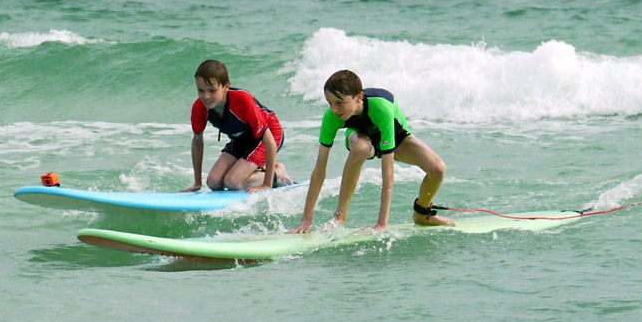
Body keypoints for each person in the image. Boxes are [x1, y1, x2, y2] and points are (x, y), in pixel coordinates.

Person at [289, 69, 455, 233]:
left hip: (395, 136)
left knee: (437, 169)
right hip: (361, 137)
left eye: (339, 102)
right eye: (330, 103)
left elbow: (388, 172)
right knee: (361, 148)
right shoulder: (331, 117)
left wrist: (381, 224)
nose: (334, 109)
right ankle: (340, 217)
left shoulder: (381, 108)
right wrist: (306, 221)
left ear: (359, 97)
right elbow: (319, 170)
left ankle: (422, 214)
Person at [184, 59, 292, 193]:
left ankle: (278, 175)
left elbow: (269, 142)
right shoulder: (199, 108)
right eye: (201, 90)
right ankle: (252, 173)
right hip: (242, 139)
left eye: (212, 90)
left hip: (269, 135)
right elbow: (197, 142)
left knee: (233, 182)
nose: (206, 96)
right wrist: (197, 183)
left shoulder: (242, 100)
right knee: (213, 182)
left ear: (226, 87)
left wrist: (267, 183)